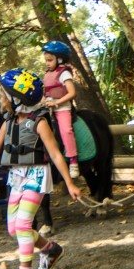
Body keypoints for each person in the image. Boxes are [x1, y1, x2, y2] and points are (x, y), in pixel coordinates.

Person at [0, 68, 81, 269]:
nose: (1, 98)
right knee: (14, 229)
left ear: (17, 98)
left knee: (23, 225)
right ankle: (50, 249)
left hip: (36, 176)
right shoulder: (7, 123)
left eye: (4, 94)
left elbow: (56, 155)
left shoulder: (38, 122)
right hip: (17, 177)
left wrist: (69, 183)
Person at [41, 40, 81, 179]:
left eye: (50, 60)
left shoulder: (64, 74)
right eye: (46, 60)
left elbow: (71, 93)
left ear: (59, 59)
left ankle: (73, 160)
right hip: (48, 108)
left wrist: (57, 102)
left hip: (62, 108)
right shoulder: (47, 74)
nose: (47, 63)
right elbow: (46, 93)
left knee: (66, 130)